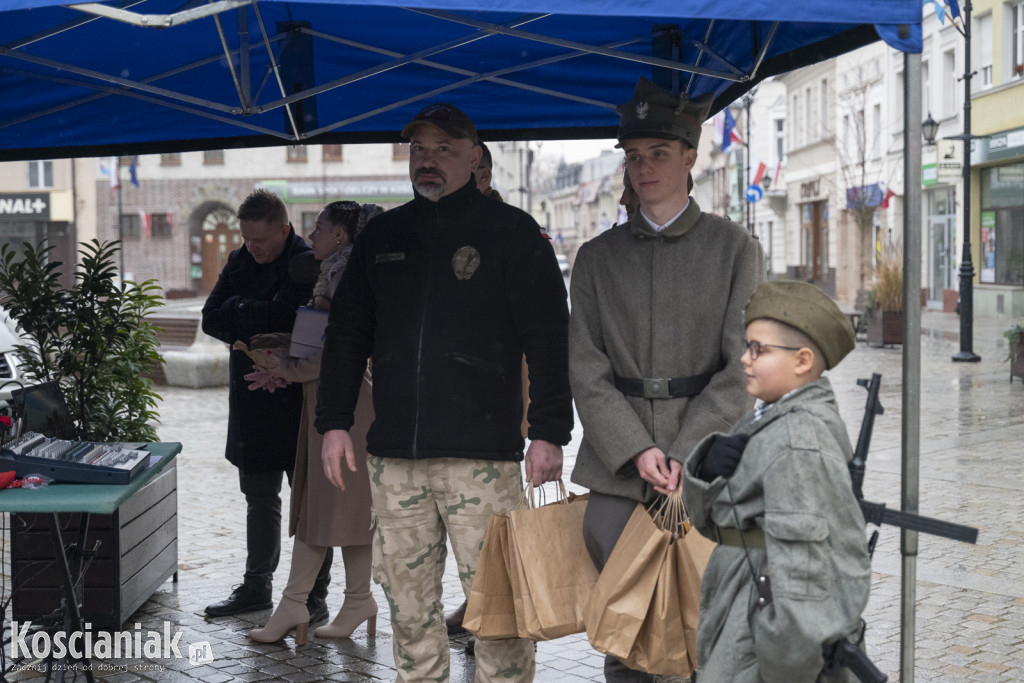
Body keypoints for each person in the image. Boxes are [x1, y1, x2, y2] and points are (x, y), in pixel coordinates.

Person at [315, 102, 573, 682]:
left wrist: (550, 431)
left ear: (474, 158)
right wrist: (333, 421)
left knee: (501, 612)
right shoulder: (384, 234)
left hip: (482, 459)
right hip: (395, 461)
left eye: (444, 150)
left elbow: (550, 337)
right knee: (408, 610)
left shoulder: (511, 233)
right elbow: (347, 333)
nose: (427, 162)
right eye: (418, 149)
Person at [569, 76, 765, 682]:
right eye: (634, 157)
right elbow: (587, 367)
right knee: (622, 637)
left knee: (698, 628)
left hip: (705, 467)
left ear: (689, 157)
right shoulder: (596, 259)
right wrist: (637, 450)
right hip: (617, 471)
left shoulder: (734, 248)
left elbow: (744, 368)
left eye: (658, 154)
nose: (644, 168)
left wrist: (684, 453)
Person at [681, 280, 870, 682]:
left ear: (802, 362)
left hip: (761, 633)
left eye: (758, 350)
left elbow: (803, 576)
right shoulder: (769, 415)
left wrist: (781, 656)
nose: (745, 360)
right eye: (746, 346)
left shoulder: (799, 440)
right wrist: (708, 469)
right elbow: (721, 518)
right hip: (745, 605)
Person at [245, 201, 383, 645]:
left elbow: (336, 349)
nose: (313, 234)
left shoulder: (343, 276)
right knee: (348, 509)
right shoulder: (338, 272)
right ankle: (358, 599)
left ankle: (294, 604)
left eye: (320, 227)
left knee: (319, 512)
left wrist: (283, 366)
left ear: (341, 236)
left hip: (343, 407)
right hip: (344, 402)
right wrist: (283, 361)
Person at [201, 188, 331, 618]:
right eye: (246, 238)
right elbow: (210, 317)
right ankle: (256, 586)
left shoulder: (306, 261)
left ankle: (313, 596)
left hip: (298, 401)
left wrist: (245, 315)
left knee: (310, 504)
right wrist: (257, 311)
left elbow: (299, 323)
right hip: (251, 400)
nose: (252, 248)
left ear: (284, 228)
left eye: (261, 240)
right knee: (258, 498)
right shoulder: (240, 259)